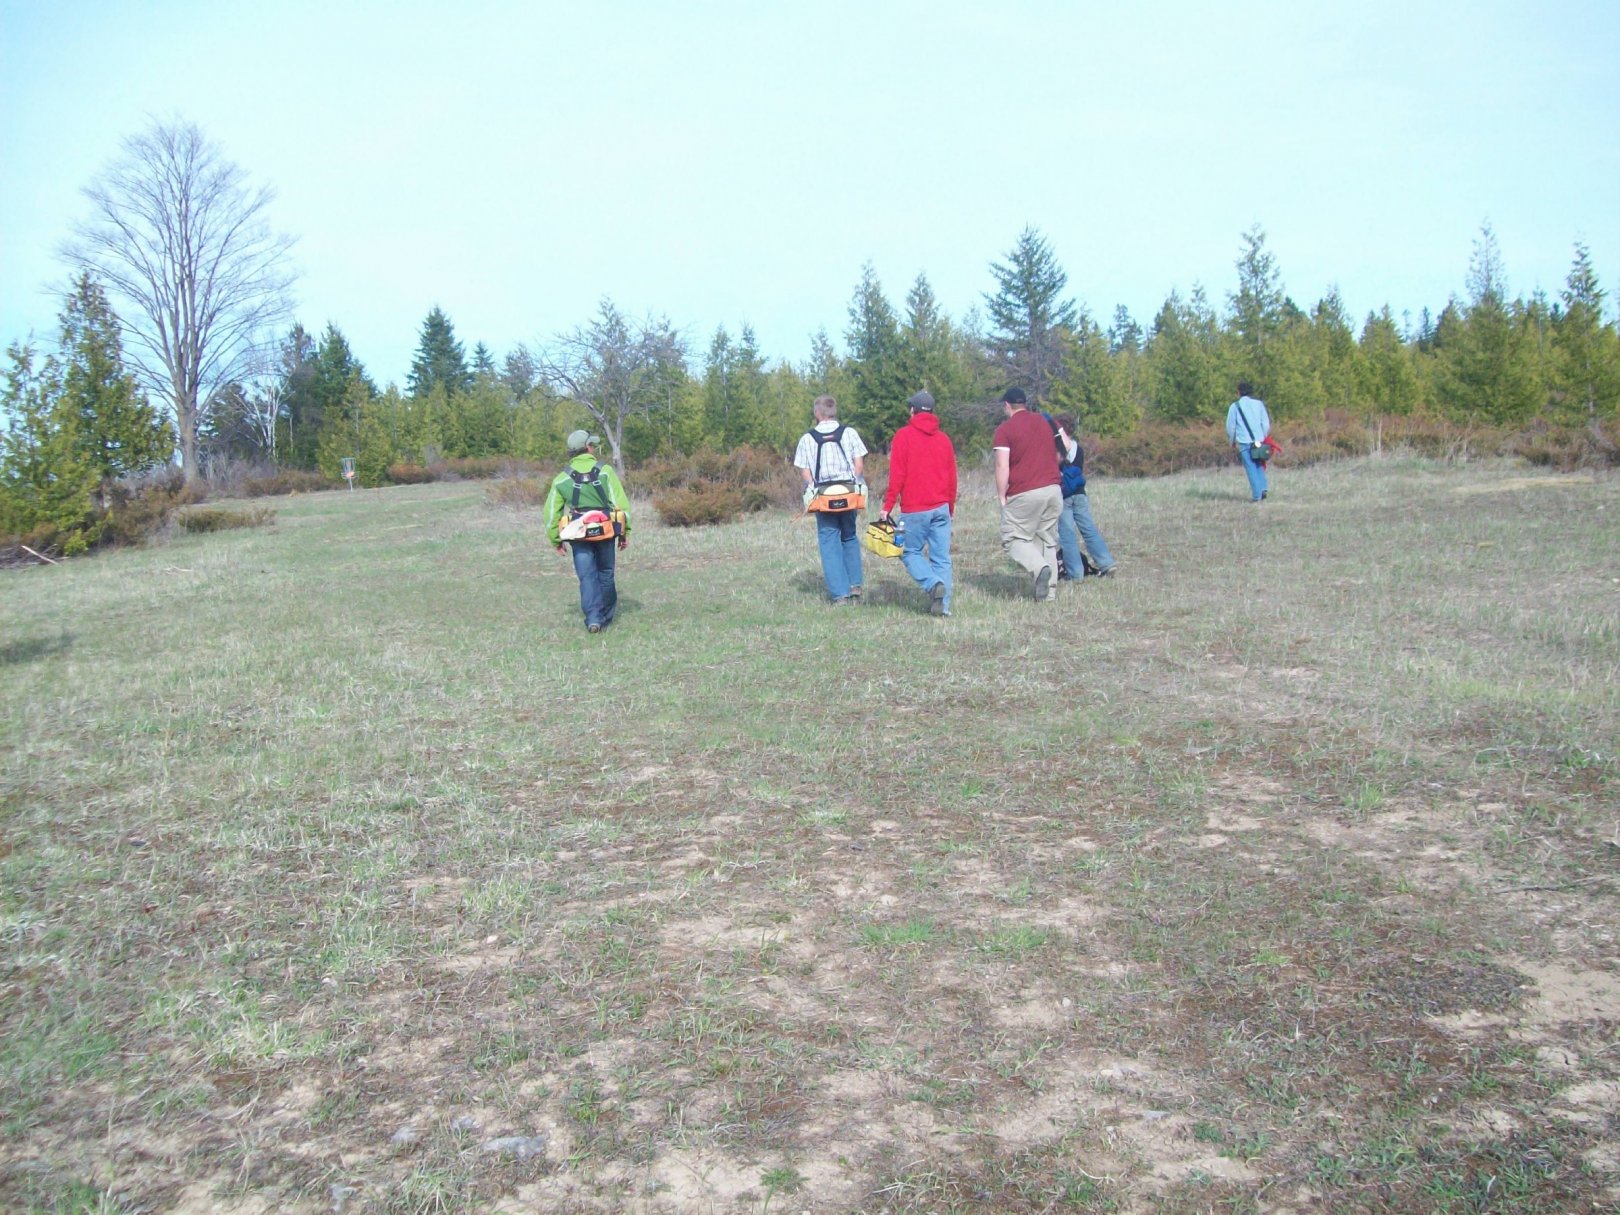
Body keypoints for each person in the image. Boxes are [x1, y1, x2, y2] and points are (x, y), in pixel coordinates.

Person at [544, 430, 631, 633]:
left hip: (578, 532)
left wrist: (556, 540)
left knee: (587, 575)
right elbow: (622, 505)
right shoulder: (606, 471)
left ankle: (593, 618)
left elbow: (550, 515)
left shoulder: (561, 479)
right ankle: (606, 618)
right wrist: (625, 532)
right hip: (605, 530)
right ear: (589, 447)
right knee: (606, 573)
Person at [880, 390, 958, 616]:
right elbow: (952, 478)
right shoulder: (944, 439)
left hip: (915, 509)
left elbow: (897, 476)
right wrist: (950, 508)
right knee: (942, 558)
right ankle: (943, 609)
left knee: (909, 552)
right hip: (941, 507)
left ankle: (933, 584)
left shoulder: (903, 436)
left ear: (912, 411)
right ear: (932, 412)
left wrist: (887, 506)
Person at [792, 395, 868, 605]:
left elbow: (805, 471)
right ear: (834, 411)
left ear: (817, 413)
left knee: (829, 541)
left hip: (824, 496)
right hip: (848, 492)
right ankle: (855, 585)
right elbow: (859, 464)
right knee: (850, 536)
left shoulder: (808, 438)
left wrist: (813, 487)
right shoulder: (849, 433)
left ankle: (839, 594)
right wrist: (854, 481)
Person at [993, 387, 1063, 601]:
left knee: (1012, 538)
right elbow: (1063, 448)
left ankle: (1039, 567)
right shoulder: (1045, 421)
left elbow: (1002, 466)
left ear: (1007, 405)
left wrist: (1001, 494)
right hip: (1054, 489)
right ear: (1024, 403)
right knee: (1047, 539)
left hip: (1025, 491)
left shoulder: (1005, 430)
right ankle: (1048, 593)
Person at [1050, 413, 1115, 579]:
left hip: (1064, 494)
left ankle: (1075, 573)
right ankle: (1106, 562)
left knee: (1067, 534)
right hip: (1080, 493)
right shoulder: (1078, 448)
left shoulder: (1056, 449)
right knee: (1088, 529)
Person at [1225, 380, 1272, 502]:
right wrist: (1262, 436)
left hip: (1245, 442)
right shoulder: (1259, 404)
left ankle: (1257, 496)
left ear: (1238, 392)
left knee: (1250, 467)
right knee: (1258, 465)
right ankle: (1263, 488)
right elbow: (1266, 424)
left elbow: (1231, 427)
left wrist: (1232, 440)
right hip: (1259, 440)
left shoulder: (1235, 407)